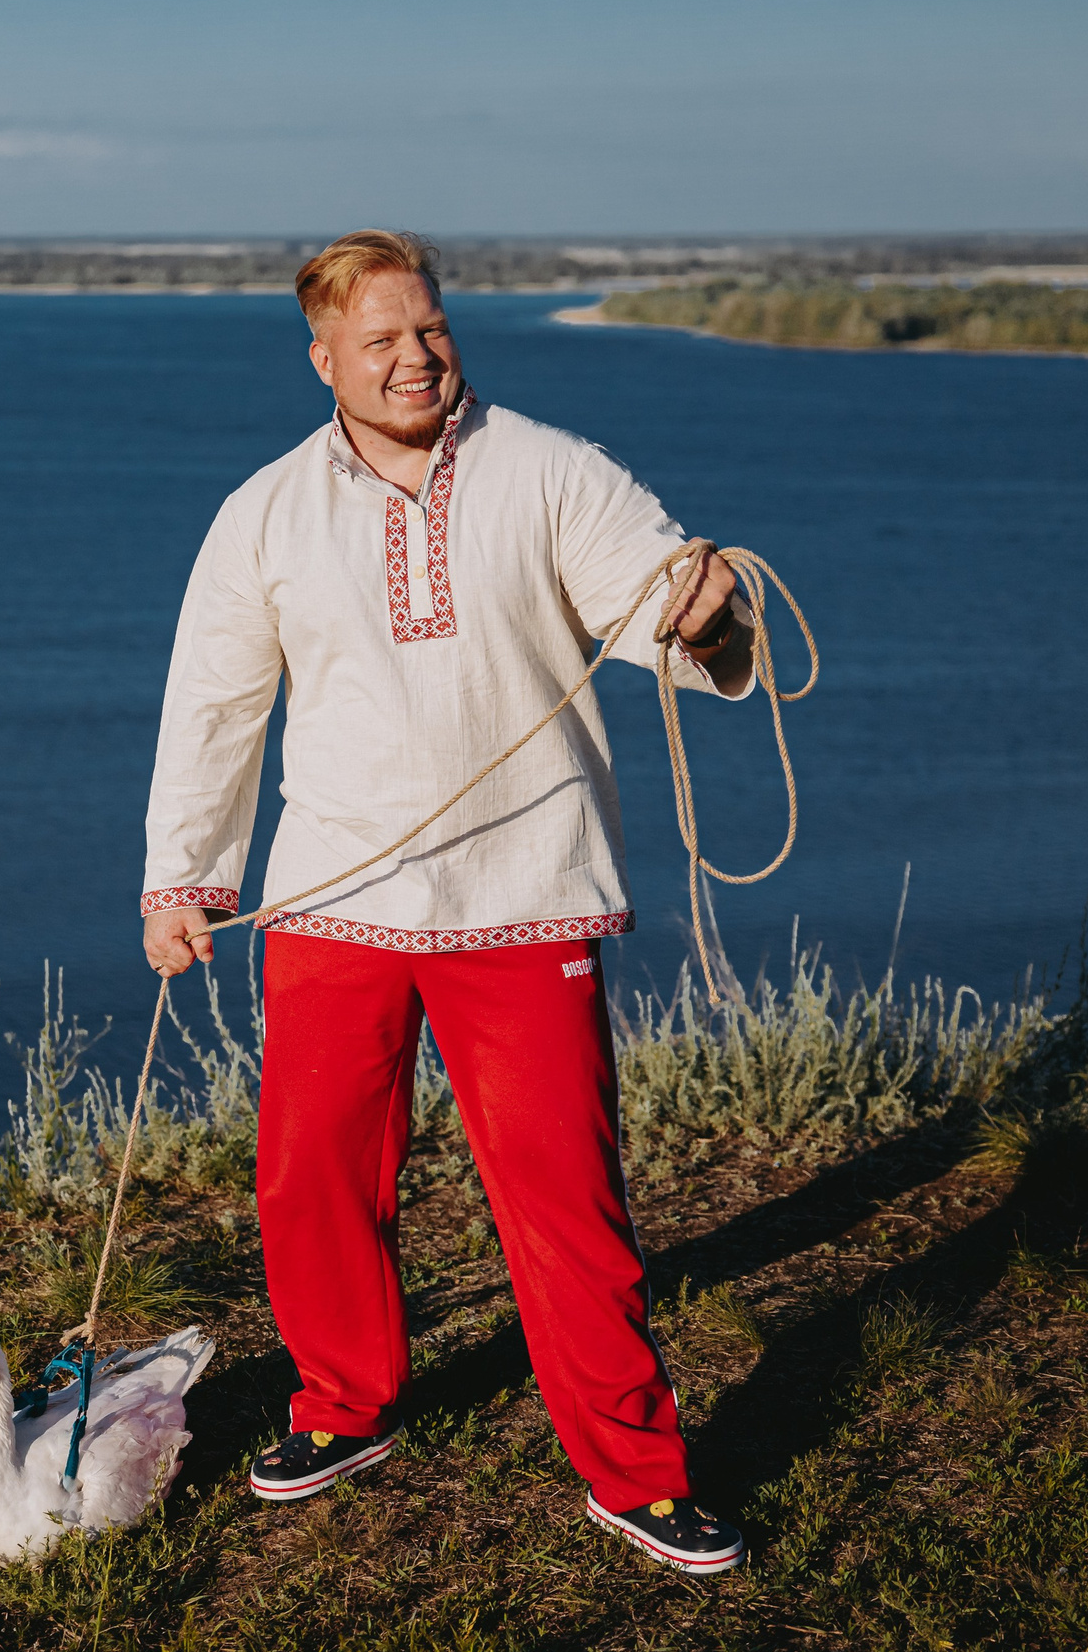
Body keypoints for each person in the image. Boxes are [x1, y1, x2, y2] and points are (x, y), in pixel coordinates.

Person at [140, 229, 749, 1575]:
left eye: (431, 330)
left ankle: (636, 1473)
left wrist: (705, 616)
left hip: (526, 892)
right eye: (382, 341)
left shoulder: (551, 471)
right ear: (324, 361)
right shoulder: (265, 512)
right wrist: (185, 877)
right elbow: (214, 705)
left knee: (566, 1196)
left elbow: (661, 604)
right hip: (330, 898)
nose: (416, 358)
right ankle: (340, 1407)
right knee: (311, 1180)